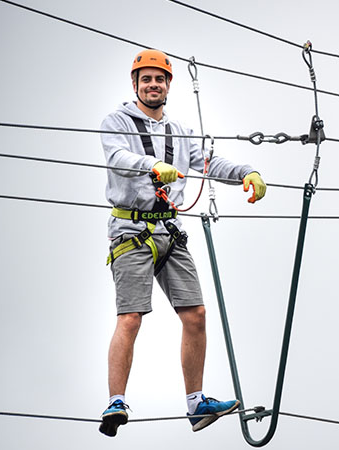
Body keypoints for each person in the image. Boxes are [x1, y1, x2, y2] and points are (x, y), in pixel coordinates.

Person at [98, 49, 267, 437]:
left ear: (169, 85)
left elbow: (210, 163)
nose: (153, 85)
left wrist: (247, 172)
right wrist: (151, 166)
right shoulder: (116, 121)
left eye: (159, 79)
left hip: (168, 230)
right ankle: (115, 401)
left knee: (196, 315)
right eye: (146, 79)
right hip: (130, 230)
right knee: (130, 316)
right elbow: (118, 157)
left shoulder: (181, 131)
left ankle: (196, 404)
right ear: (135, 84)